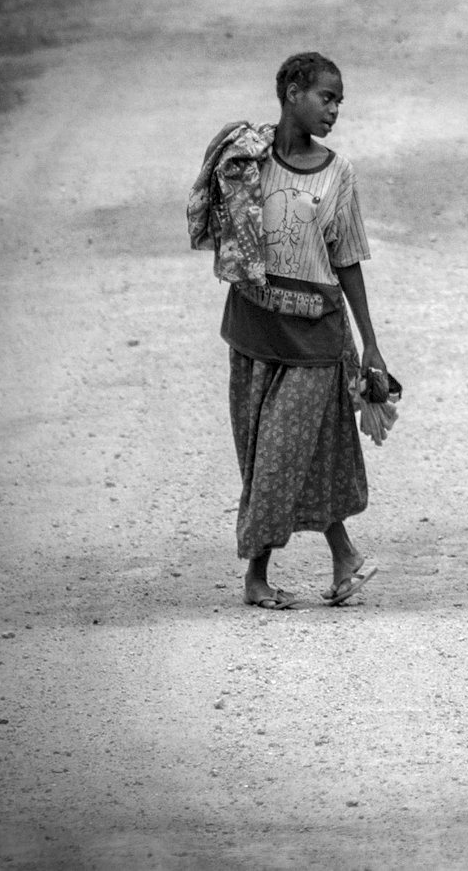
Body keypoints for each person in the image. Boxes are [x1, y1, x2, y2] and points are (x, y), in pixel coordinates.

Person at [187, 52, 386, 609]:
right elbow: (211, 221)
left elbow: (346, 258)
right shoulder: (247, 159)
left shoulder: (338, 173)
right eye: (327, 97)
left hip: (317, 336)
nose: (335, 111)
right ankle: (318, 564)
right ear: (293, 91)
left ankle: (278, 568)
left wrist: (370, 343)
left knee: (283, 452)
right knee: (266, 455)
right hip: (253, 327)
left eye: (340, 102)